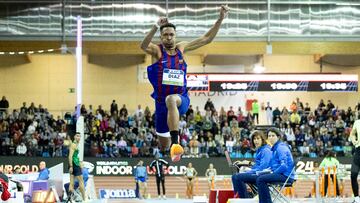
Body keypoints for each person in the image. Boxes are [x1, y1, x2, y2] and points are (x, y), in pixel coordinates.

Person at [140, 5, 228, 162]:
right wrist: (155, 26)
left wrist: (220, 19)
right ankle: (170, 146)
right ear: (161, 37)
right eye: (165, 35)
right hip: (160, 103)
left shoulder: (182, 48)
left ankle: (176, 143)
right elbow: (143, 46)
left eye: (171, 35)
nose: (168, 37)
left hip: (181, 98)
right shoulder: (157, 51)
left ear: (175, 36)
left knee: (171, 99)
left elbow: (207, 39)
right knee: (163, 145)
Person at [256, 127, 295, 203]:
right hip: (282, 174)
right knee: (260, 177)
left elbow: (284, 166)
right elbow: (275, 165)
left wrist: (273, 173)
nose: (271, 138)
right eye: (269, 136)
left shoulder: (280, 148)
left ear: (278, 137)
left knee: (261, 179)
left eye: (273, 136)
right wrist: (268, 171)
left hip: (286, 176)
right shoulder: (275, 148)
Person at [231, 130, 272, 198]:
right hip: (258, 173)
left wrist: (249, 171)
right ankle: (244, 197)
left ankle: (243, 199)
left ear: (262, 139)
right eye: (254, 139)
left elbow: (262, 168)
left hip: (262, 175)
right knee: (238, 174)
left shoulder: (266, 150)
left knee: (236, 177)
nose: (256, 141)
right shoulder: (260, 150)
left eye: (258, 138)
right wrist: (248, 165)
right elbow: (257, 165)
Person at [68, 133, 86, 201]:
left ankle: (70, 199)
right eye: (77, 136)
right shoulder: (74, 144)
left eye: (80, 136)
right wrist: (71, 166)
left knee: (71, 183)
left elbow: (74, 156)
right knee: (81, 181)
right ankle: (84, 199)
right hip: (74, 164)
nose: (79, 138)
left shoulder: (76, 144)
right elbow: (70, 156)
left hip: (74, 164)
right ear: (74, 137)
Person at [349, 118, 360, 203]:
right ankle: (357, 198)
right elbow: (352, 134)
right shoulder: (357, 122)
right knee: (353, 175)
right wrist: (354, 141)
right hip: (358, 150)